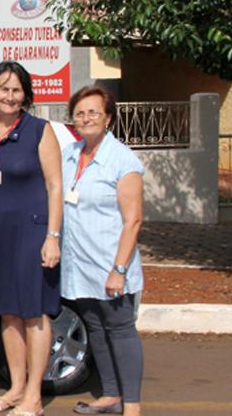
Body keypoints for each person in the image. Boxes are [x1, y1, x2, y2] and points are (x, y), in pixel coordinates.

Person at [0, 61, 62, 416]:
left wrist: (52, 237)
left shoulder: (40, 130)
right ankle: (16, 388)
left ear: (26, 95)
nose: (9, 96)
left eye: (16, 90)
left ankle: (34, 396)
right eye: (4, 89)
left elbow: (54, 186)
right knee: (7, 314)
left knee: (34, 312)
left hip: (32, 232)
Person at [60, 86, 145, 416]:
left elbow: (134, 220)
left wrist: (119, 269)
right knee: (95, 327)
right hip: (80, 264)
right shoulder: (70, 154)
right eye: (80, 113)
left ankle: (133, 406)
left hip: (111, 264)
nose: (86, 118)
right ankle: (111, 395)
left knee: (121, 329)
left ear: (108, 117)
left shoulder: (122, 159)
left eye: (93, 112)